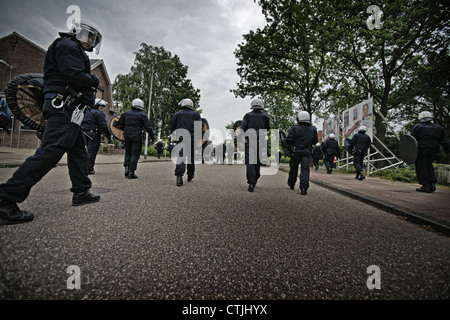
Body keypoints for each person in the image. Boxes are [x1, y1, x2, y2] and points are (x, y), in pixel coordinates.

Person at [0, 21, 103, 225]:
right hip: (63, 106)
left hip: (69, 109)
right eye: (90, 37)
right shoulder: (67, 45)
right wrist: (93, 80)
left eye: (94, 40)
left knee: (77, 148)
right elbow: (74, 76)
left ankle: (81, 190)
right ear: (80, 33)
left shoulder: (70, 48)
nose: (91, 42)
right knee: (50, 152)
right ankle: (6, 199)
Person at [114, 98, 155, 179]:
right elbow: (148, 127)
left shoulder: (125, 114)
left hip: (127, 136)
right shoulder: (143, 115)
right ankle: (131, 172)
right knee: (135, 154)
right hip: (136, 136)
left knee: (128, 152)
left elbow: (120, 124)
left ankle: (126, 169)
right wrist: (152, 136)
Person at [410, 111, 450, 192]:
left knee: (421, 166)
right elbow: (444, 140)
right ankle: (432, 183)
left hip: (422, 150)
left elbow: (411, 141)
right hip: (434, 150)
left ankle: (426, 185)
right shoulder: (438, 127)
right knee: (429, 165)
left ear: (420, 118)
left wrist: (409, 154)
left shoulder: (417, 127)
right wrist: (448, 151)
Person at [241, 98, 270, 192]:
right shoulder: (265, 117)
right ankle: (256, 177)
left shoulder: (247, 115)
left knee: (250, 162)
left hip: (250, 140)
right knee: (257, 161)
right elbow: (267, 128)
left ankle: (251, 182)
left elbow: (243, 128)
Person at [170, 98, 202, 186]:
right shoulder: (196, 114)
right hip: (192, 138)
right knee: (191, 157)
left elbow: (172, 125)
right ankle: (190, 174)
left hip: (181, 137)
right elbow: (199, 128)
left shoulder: (178, 114)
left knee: (181, 156)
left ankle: (179, 176)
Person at [286, 111, 318, 195]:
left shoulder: (294, 128)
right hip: (307, 151)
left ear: (298, 118)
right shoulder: (313, 129)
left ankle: (291, 183)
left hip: (296, 151)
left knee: (293, 167)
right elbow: (315, 141)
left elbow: (289, 140)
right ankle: (304, 187)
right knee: (305, 169)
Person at [82, 99, 111, 174]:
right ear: (97, 106)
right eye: (101, 106)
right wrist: (108, 136)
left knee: (86, 151)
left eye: (103, 107)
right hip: (94, 135)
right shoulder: (100, 114)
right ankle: (89, 169)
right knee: (92, 152)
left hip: (85, 133)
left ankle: (83, 167)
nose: (102, 108)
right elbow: (104, 126)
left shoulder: (87, 112)